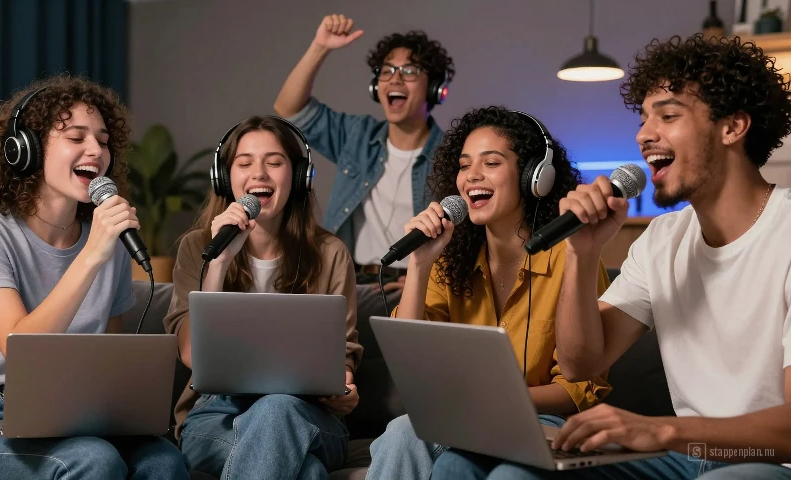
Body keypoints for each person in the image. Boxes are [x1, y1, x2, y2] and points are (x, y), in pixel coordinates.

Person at [431, 34, 791, 480]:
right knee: (490, 470)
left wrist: (660, 431)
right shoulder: (663, 240)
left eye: (669, 115)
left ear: (733, 127)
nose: (643, 134)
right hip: (685, 456)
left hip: (766, 463)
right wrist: (582, 253)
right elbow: (584, 362)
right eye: (643, 117)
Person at [0, 74, 190, 479]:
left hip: (80, 415)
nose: (96, 150)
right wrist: (92, 255)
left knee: (164, 461)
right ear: (27, 149)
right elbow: (21, 349)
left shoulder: (106, 243)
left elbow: (103, 360)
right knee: (92, 459)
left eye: (104, 140)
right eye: (76, 137)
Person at [365, 106, 613, 480]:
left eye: (491, 162)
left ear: (535, 177)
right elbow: (412, 361)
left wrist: (493, 403)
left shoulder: (573, 254)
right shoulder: (448, 259)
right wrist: (419, 264)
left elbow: (582, 385)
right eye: (464, 165)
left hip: (542, 417)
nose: (472, 176)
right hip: (462, 417)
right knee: (402, 432)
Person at [162, 115, 364, 479]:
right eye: (244, 163)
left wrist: (344, 386)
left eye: (274, 162)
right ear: (225, 178)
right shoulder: (197, 248)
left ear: (299, 177)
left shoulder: (331, 252)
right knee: (309, 472)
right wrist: (218, 262)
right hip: (217, 415)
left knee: (277, 410)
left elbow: (342, 354)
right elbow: (193, 353)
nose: (259, 174)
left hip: (311, 413)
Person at [274, 14, 455, 292]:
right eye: (387, 71)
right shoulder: (357, 136)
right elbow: (288, 108)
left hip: (413, 284)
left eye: (409, 72)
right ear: (376, 87)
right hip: (349, 281)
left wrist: (428, 281)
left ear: (434, 89)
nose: (395, 79)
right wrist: (320, 46)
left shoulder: (451, 156)